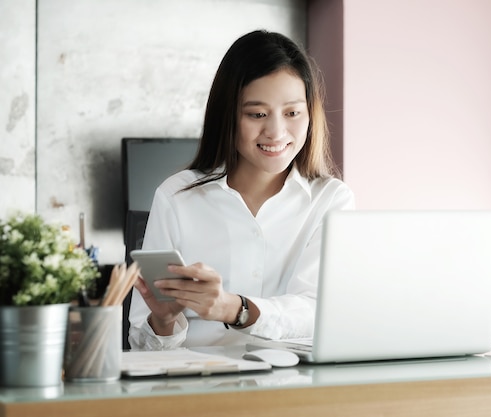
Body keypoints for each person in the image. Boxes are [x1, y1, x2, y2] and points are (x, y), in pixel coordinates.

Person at [128, 30, 355, 349]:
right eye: (257, 114)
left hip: (292, 387)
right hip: (199, 388)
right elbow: (142, 346)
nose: (276, 131)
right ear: (228, 116)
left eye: (292, 113)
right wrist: (163, 321)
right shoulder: (176, 196)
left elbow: (321, 312)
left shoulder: (331, 199)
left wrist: (233, 308)